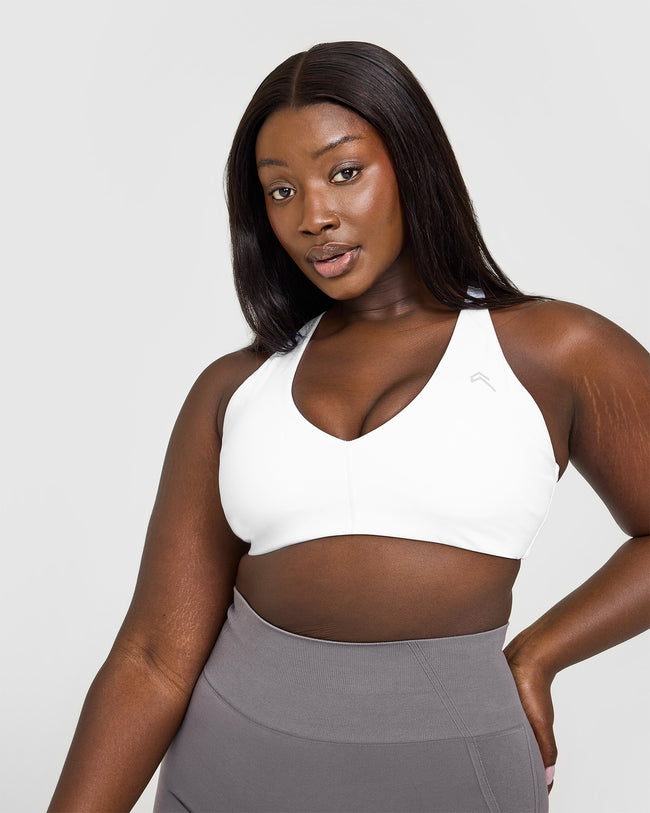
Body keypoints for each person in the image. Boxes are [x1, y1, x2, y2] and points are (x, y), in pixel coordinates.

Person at [49, 41, 649, 813]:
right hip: (222, 777)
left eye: (343, 172)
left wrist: (539, 653)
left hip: (457, 778)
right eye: (281, 190)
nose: (314, 217)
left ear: (411, 163)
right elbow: (153, 656)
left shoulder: (556, 351)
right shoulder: (235, 389)